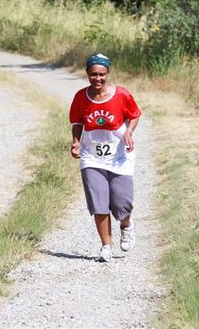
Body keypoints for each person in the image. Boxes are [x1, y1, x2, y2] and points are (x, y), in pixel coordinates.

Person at [69, 53, 141, 262]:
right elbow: (77, 122)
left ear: (108, 73)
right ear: (87, 74)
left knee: (121, 203)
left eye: (102, 74)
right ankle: (106, 246)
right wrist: (75, 142)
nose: (97, 79)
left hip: (120, 155)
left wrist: (129, 131)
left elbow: (134, 115)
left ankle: (126, 225)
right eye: (93, 75)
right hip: (91, 156)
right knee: (99, 202)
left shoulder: (121, 95)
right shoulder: (81, 97)